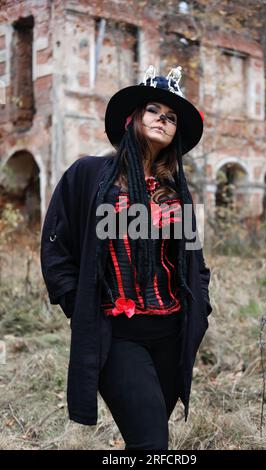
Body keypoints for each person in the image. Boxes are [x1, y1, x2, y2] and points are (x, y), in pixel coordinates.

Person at [40, 65, 212, 450]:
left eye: (170, 118)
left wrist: (202, 306)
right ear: (133, 117)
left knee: (147, 438)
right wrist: (77, 302)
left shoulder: (176, 193)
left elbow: (194, 263)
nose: (162, 120)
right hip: (116, 335)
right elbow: (55, 245)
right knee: (152, 443)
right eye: (154, 110)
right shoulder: (89, 175)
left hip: (171, 334)